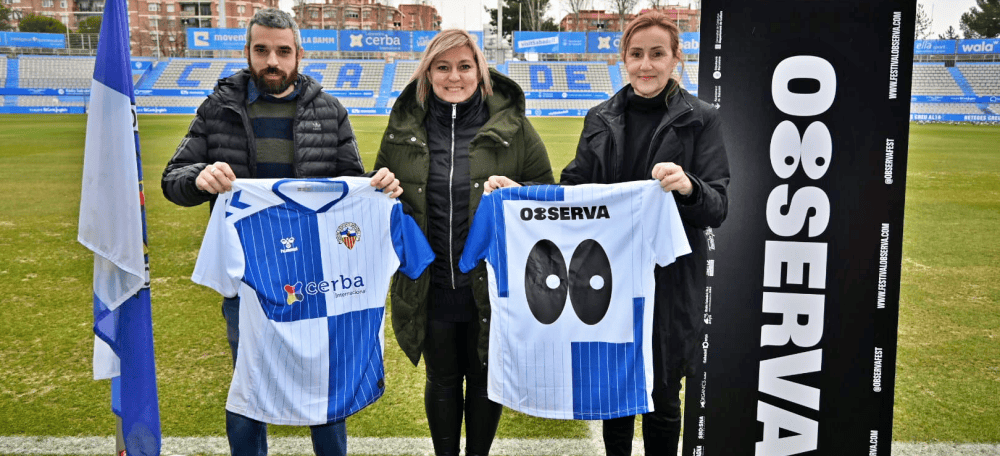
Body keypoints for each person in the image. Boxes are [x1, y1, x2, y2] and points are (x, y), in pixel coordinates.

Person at [160, 8, 400, 456]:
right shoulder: (219, 108)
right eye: (262, 50)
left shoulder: (329, 111)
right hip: (249, 272)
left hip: (319, 272)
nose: (273, 60)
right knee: (249, 377)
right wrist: (199, 177)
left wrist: (377, 187)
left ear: (298, 54)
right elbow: (172, 177)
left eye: (283, 51)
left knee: (325, 374)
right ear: (248, 51)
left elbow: (352, 184)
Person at [373, 29, 554, 456]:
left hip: (490, 284)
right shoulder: (402, 128)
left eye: (464, 66)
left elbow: (547, 195)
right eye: (443, 66)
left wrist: (517, 191)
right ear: (428, 73)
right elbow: (381, 196)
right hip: (430, 282)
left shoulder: (515, 128)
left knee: (486, 378)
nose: (454, 76)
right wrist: (379, 184)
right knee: (442, 380)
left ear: (481, 71)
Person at [559, 11, 730, 456]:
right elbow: (573, 189)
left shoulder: (702, 119)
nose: (645, 65)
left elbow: (718, 206)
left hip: (670, 281)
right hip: (609, 278)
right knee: (615, 393)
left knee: (662, 395)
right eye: (636, 55)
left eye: (657, 54)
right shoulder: (599, 117)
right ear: (623, 60)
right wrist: (521, 198)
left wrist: (689, 185)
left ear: (676, 58)